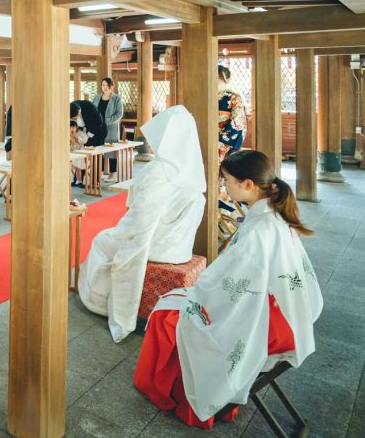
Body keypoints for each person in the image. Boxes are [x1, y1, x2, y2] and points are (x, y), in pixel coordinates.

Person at [134, 150, 323, 429]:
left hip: (265, 324)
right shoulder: (272, 214)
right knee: (175, 302)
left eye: (227, 181)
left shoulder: (260, 231)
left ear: (248, 185)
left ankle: (169, 390)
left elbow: (230, 286)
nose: (224, 187)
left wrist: (199, 293)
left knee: (166, 314)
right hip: (287, 316)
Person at [77, 105, 206, 342]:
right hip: (181, 245)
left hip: (157, 244)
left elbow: (141, 220)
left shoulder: (160, 170)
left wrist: (119, 231)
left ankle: (97, 301)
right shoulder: (191, 167)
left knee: (101, 241)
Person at [217, 65, 248, 214]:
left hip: (224, 146)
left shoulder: (233, 98)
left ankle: (225, 217)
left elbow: (237, 123)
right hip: (205, 143)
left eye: (218, 79)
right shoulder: (205, 96)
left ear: (225, 78)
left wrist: (219, 142)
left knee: (225, 179)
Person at [94, 77, 124, 183]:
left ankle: (112, 175)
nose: (104, 87)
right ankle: (100, 172)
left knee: (111, 151)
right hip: (99, 128)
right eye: (103, 85)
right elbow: (94, 110)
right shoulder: (97, 97)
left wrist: (106, 121)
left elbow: (119, 114)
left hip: (111, 128)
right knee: (100, 150)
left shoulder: (116, 98)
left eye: (107, 85)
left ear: (111, 86)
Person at [70, 120, 89, 187]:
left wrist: (75, 137)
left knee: (78, 165)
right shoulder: (66, 132)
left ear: (77, 127)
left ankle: (79, 181)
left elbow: (84, 140)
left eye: (73, 127)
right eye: (70, 127)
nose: (72, 128)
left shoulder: (81, 133)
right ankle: (72, 180)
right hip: (70, 152)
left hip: (79, 152)